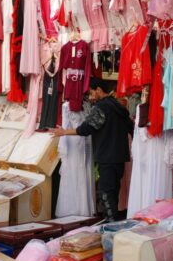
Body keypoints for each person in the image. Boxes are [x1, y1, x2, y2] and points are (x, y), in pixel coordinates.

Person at [51, 77, 134, 221]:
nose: (90, 96)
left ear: (99, 90)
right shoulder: (119, 107)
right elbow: (131, 128)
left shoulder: (101, 107)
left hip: (107, 157)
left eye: (91, 92)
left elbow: (86, 128)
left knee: (106, 194)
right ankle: (113, 224)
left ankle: (111, 227)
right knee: (113, 192)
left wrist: (65, 132)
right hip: (120, 157)